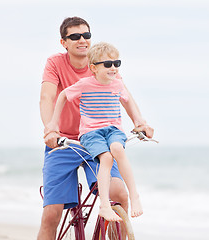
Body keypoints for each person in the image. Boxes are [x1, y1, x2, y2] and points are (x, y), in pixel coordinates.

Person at [38, 17, 153, 239]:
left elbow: (124, 96)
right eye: (75, 36)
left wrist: (140, 122)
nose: (82, 40)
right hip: (64, 143)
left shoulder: (104, 63)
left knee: (119, 194)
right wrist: (50, 129)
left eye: (86, 35)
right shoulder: (55, 63)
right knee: (51, 213)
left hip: (97, 140)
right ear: (64, 42)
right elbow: (47, 97)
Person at [47, 42, 146, 221]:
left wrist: (140, 122)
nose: (113, 68)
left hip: (113, 130)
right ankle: (105, 206)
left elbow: (128, 101)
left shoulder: (118, 84)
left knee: (118, 149)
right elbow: (62, 96)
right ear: (93, 68)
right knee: (106, 158)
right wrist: (53, 123)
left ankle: (134, 195)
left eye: (117, 63)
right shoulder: (85, 84)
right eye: (108, 64)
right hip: (91, 133)